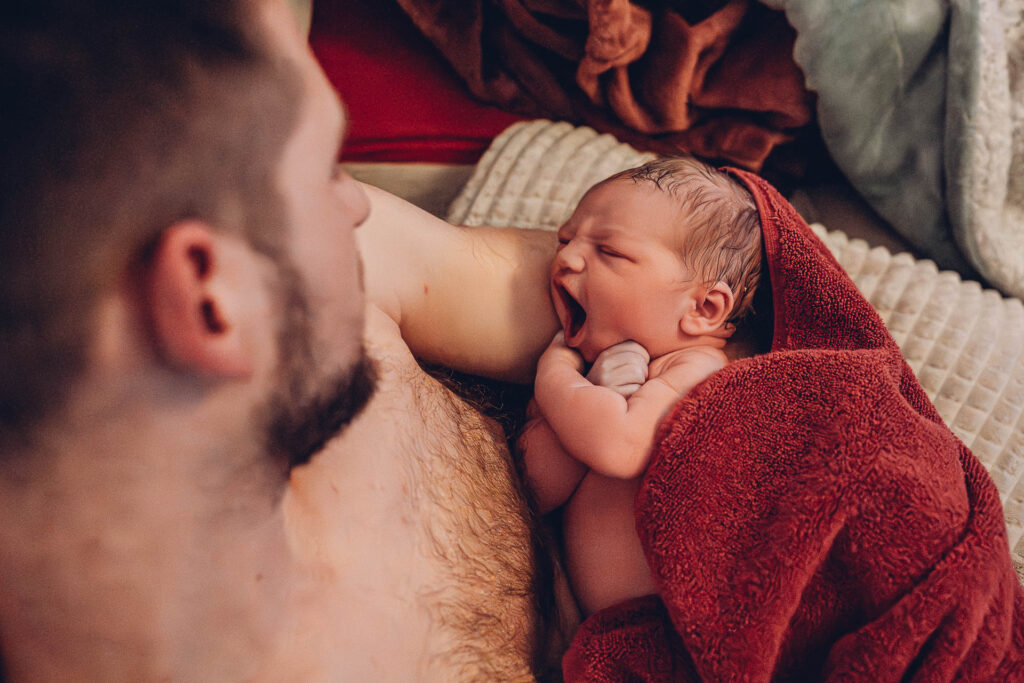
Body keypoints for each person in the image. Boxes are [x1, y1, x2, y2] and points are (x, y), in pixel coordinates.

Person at [0, 0, 574, 678]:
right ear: (212, 301)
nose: (356, 200)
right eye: (329, 167)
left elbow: (593, 280)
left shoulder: (284, 266)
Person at [519, 158, 763, 616]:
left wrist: (554, 375)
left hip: (672, 624)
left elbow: (619, 446)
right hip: (593, 620)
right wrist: (584, 390)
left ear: (706, 308)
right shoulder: (589, 380)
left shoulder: (699, 369)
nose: (566, 258)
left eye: (609, 251)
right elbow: (532, 486)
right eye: (566, 239)